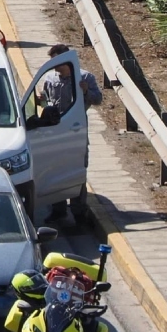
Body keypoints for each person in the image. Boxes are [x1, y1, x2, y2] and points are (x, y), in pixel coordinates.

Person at [39, 44, 103, 223]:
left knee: (76, 170)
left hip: (75, 130)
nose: (54, 66)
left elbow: (98, 99)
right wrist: (41, 100)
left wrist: (85, 91)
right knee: (55, 169)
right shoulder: (50, 78)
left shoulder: (84, 77)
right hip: (55, 131)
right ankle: (58, 209)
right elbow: (47, 100)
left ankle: (79, 211)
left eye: (56, 61)